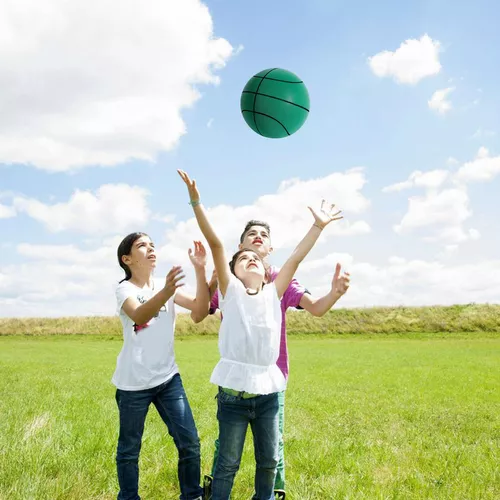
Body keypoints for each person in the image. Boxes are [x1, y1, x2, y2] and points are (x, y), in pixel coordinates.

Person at [178, 169, 343, 500]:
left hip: (268, 394)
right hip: (234, 397)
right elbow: (214, 243)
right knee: (227, 462)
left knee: (269, 461)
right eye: (244, 258)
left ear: (266, 269)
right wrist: (196, 201)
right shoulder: (230, 293)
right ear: (233, 271)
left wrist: (318, 226)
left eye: (257, 258)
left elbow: (296, 257)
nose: (251, 259)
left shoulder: (275, 291)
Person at [205, 220, 350, 499]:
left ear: (270, 248)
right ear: (238, 250)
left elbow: (314, 301)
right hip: (236, 380)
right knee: (227, 450)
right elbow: (203, 307)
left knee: (272, 450)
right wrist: (204, 276)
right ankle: (217, 490)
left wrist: (333, 293)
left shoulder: (279, 285)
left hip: (272, 378)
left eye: (263, 236)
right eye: (251, 235)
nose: (257, 240)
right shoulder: (230, 288)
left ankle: (272, 494)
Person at [113, 232, 209, 500]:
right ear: (127, 259)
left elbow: (200, 313)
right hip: (133, 383)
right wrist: (166, 290)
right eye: (142, 245)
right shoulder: (125, 289)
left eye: (152, 244)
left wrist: (200, 271)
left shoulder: (168, 288)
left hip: (168, 379)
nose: (151, 248)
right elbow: (140, 314)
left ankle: (192, 495)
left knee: (189, 442)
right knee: (129, 449)